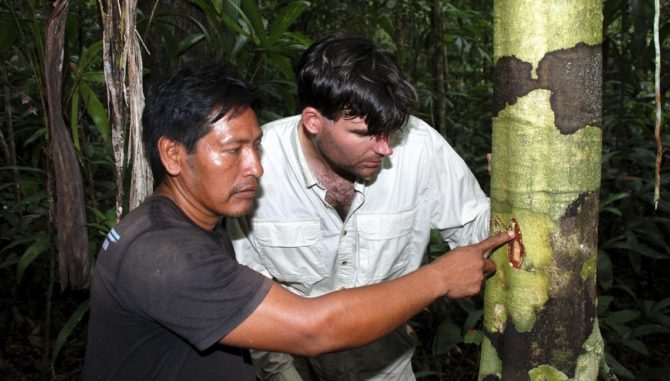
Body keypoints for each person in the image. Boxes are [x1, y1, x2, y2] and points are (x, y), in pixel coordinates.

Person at [82, 65, 511, 380]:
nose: (256, 168)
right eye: (234, 151)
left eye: (257, 147)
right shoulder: (166, 255)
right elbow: (312, 328)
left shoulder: (180, 228)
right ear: (173, 155)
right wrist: (438, 278)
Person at [227, 32, 493, 380]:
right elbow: (246, 292)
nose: (385, 148)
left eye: (391, 131)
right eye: (365, 133)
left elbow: (477, 228)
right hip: (290, 366)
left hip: (384, 366)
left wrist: (513, 198)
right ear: (313, 122)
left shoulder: (420, 148)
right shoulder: (256, 168)